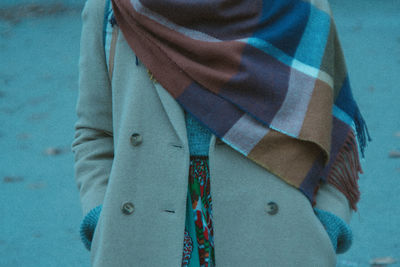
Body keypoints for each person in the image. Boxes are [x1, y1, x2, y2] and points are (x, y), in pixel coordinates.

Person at [72, 0, 369, 266]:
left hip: (274, 242)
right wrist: (103, 218)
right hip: (144, 238)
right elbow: (94, 131)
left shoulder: (299, 7)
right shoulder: (114, 8)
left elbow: (334, 130)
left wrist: (325, 224)